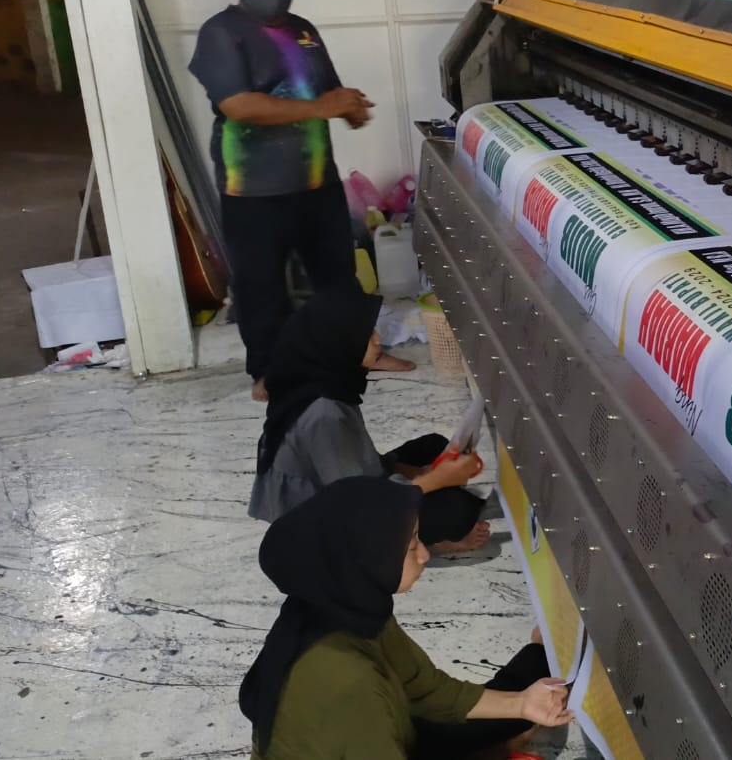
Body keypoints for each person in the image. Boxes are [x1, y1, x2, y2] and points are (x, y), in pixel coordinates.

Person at [188, 0, 413, 402]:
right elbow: (238, 105)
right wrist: (322, 108)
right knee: (262, 287)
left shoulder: (302, 30)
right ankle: (269, 375)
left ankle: (361, 352)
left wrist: (349, 108)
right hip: (252, 189)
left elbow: (327, 91)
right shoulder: (221, 33)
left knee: (338, 277)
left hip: (316, 181)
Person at [241, 476, 572, 759]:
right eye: (412, 545)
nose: (425, 555)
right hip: (375, 737)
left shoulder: (352, 608)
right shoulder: (347, 680)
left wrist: (522, 704)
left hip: (388, 729)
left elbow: (428, 690)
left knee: (523, 696)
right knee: (500, 736)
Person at [252, 289, 491, 552]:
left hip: (340, 489)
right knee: (456, 510)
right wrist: (437, 479)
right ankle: (419, 546)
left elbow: (361, 463)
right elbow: (362, 501)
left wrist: (423, 473)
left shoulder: (325, 380)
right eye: (367, 336)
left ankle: (419, 528)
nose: (378, 340)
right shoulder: (324, 412)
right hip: (326, 526)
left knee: (433, 446)